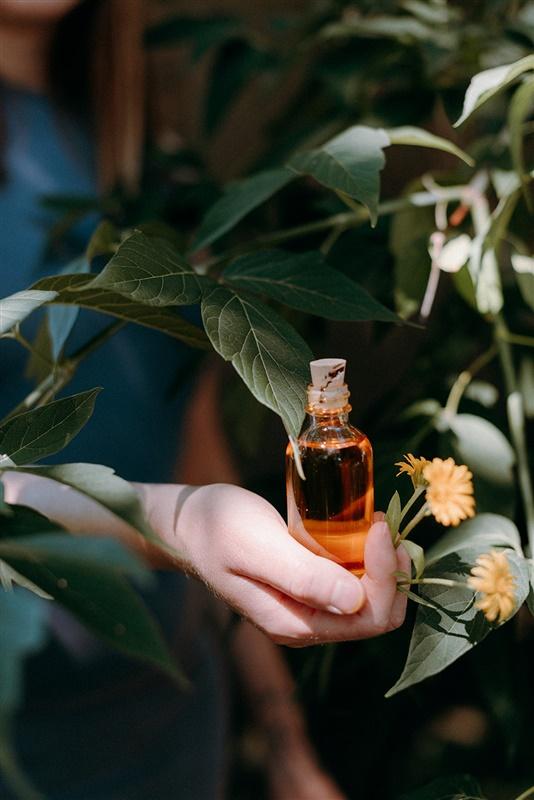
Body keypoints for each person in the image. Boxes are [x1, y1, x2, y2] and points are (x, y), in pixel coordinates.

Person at [0, 1, 409, 797]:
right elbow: (195, 506)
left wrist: (284, 739)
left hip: (174, 726)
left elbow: (193, 443)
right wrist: (175, 523)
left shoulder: (155, 168)